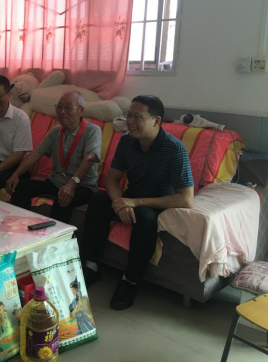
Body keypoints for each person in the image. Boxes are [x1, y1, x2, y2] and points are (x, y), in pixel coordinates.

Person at [80, 95, 194, 311]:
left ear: (156, 120)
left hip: (156, 202)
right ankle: (91, 266)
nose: (130, 121)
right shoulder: (126, 141)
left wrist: (135, 202)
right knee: (98, 198)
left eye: (137, 117)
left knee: (144, 216)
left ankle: (130, 280)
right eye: (129, 116)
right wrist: (120, 202)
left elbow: (186, 198)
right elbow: (111, 180)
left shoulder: (174, 149)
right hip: (130, 197)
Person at [6, 92, 101, 224]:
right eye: (59, 107)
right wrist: (16, 174)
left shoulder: (92, 130)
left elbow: (89, 159)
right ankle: (22, 226)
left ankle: (58, 237)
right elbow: (36, 154)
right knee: (20, 187)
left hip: (82, 186)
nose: (62, 111)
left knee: (63, 199)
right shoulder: (56, 131)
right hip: (56, 182)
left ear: (81, 110)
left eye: (68, 107)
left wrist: (71, 184)